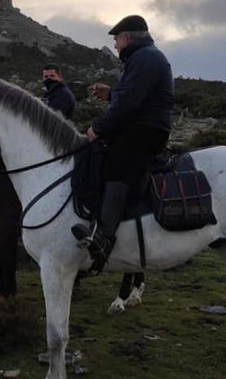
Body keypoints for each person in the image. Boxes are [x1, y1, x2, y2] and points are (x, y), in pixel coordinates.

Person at [71, 15, 174, 269]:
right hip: (143, 125)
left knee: (116, 166)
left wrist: (98, 128)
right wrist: (112, 94)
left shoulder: (146, 58)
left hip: (145, 129)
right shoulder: (144, 57)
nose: (115, 45)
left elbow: (130, 103)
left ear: (127, 37)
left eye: (116, 39)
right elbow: (131, 95)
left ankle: (104, 237)